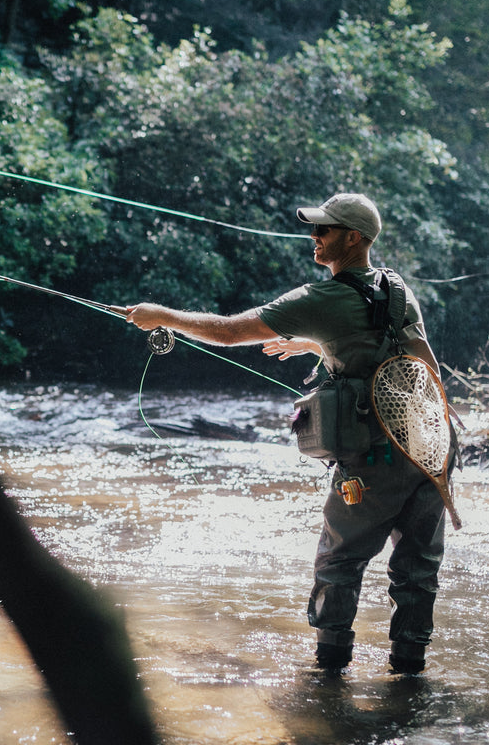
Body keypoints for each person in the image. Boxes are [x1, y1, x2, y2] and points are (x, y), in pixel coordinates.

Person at [125, 193, 448, 675]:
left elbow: (228, 331)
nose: (314, 237)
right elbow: (383, 343)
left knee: (338, 563)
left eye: (325, 230)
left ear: (354, 238)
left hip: (377, 459)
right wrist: (317, 342)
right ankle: (409, 674)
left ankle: (329, 672)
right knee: (417, 571)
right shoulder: (396, 287)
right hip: (431, 446)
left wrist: (162, 315)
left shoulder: (320, 299)